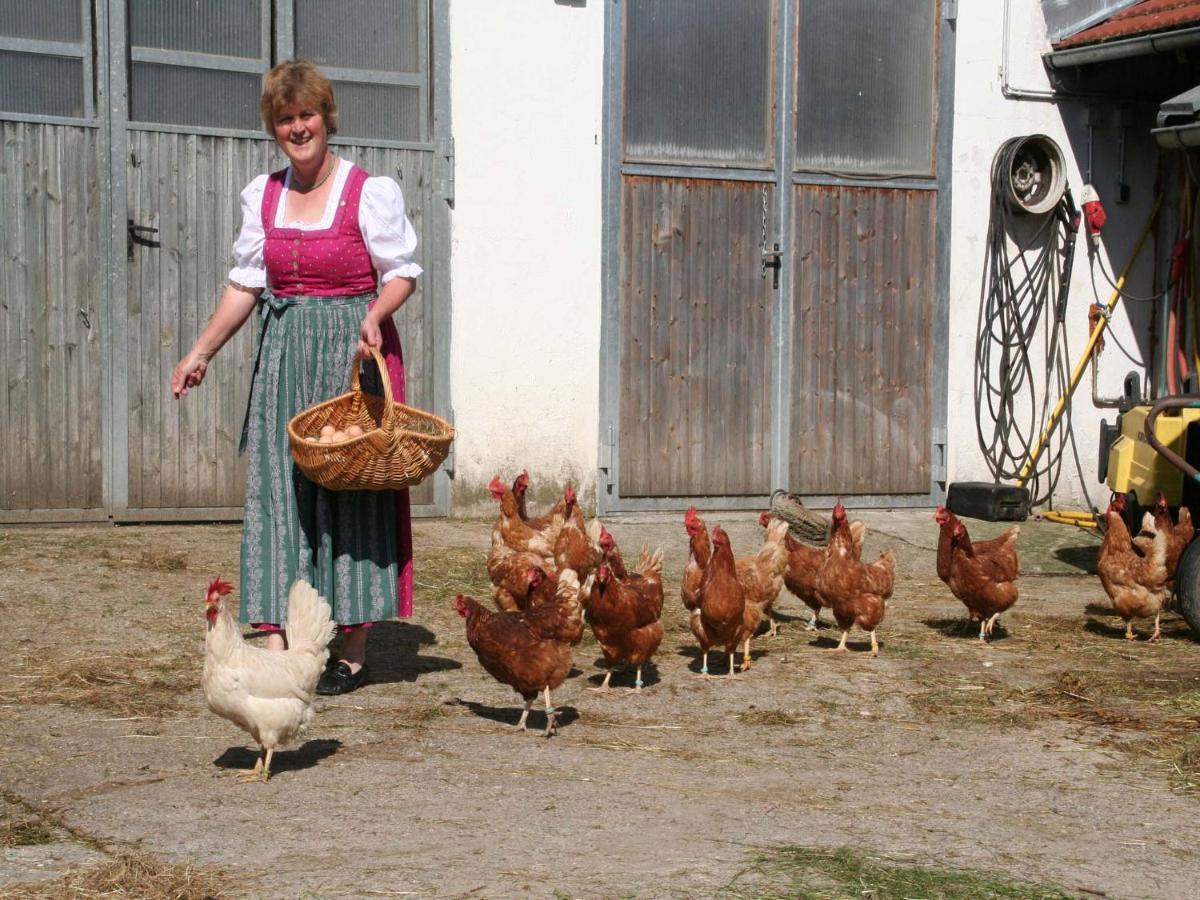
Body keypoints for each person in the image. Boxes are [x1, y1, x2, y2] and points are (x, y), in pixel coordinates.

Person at [171, 59, 421, 695]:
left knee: (352, 488)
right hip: (283, 353)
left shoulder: (368, 191)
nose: (297, 127)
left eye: (306, 114)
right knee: (279, 494)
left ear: (326, 118)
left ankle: (353, 652)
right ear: (274, 128)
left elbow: (402, 273)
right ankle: (279, 644)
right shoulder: (265, 195)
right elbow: (245, 285)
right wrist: (201, 351)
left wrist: (375, 315)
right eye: (285, 118)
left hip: (350, 355)